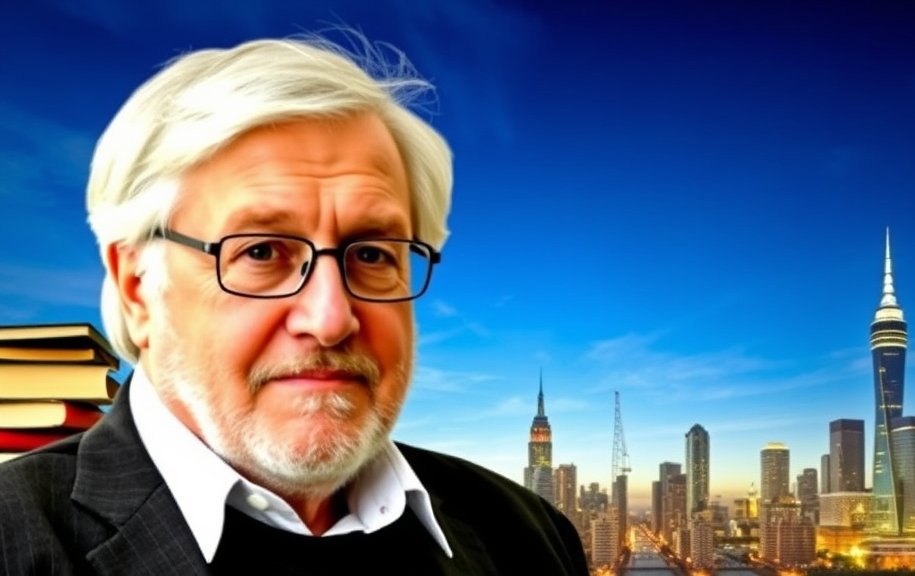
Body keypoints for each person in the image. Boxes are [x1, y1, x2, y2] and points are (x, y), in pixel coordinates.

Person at [0, 31, 588, 574]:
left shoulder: (528, 537)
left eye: (372, 254)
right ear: (137, 288)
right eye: (260, 252)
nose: (331, 318)